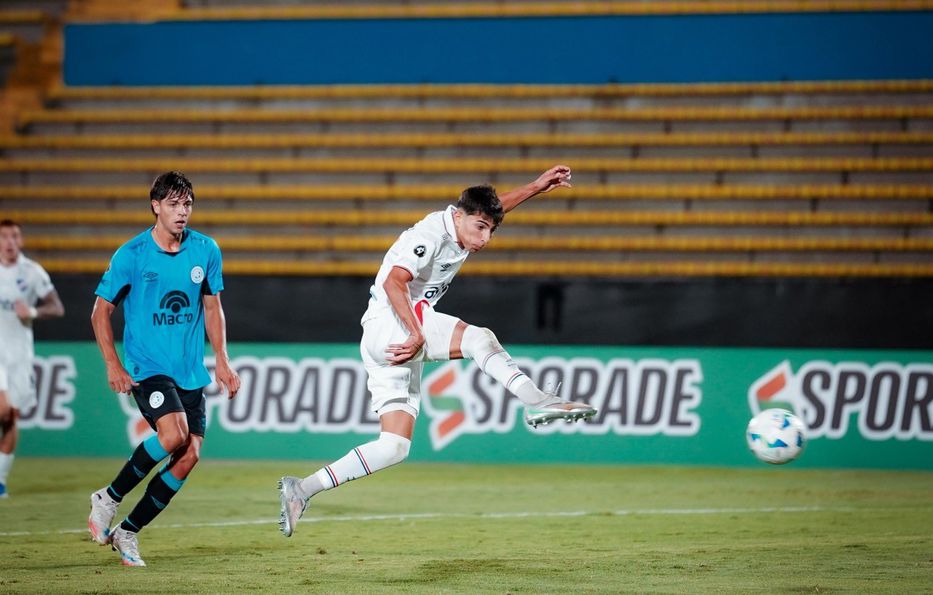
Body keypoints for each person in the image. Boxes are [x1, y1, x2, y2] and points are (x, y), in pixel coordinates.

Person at [278, 164, 596, 537]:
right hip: (392, 325)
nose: (485, 239)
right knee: (479, 339)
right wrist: (415, 333)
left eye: (491, 231)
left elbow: (490, 211)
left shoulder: (466, 224)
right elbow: (396, 282)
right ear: (457, 216)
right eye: (480, 228)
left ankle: (301, 490)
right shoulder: (430, 233)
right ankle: (537, 399)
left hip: (386, 340)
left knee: (394, 446)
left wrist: (536, 188)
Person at [87, 171, 240, 566]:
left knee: (189, 456)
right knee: (173, 435)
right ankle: (109, 497)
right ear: (155, 206)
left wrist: (222, 358)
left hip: (189, 370)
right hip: (147, 366)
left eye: (187, 204)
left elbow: (212, 307)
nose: (182, 212)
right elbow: (101, 312)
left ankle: (128, 532)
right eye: (173, 204)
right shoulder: (132, 255)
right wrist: (113, 365)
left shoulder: (206, 250)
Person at [0, 220, 65, 498]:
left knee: (10, 416)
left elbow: (57, 307)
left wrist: (34, 312)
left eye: (14, 236)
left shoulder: (32, 272)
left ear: (21, 241)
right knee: (2, 408)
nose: (10, 242)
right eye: (4, 237)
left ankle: (1, 481)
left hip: (20, 355)